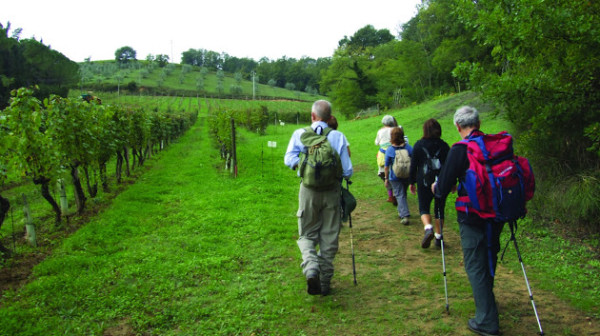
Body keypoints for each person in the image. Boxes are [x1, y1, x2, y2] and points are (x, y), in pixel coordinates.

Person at [432, 106, 502, 336]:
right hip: (498, 212)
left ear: (457, 126)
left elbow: (442, 187)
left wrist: (437, 187)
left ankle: (486, 321)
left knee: (475, 264)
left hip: (472, 215)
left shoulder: (460, 150)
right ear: (479, 124)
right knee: (489, 256)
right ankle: (487, 304)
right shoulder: (494, 145)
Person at [284, 100, 353, 296]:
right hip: (332, 192)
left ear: (313, 116)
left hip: (308, 191)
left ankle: (311, 267)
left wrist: (305, 166)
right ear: (330, 117)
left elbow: (288, 159)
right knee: (329, 237)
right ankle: (324, 282)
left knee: (306, 234)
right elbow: (348, 171)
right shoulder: (338, 136)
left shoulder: (300, 134)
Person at [409, 118, 450, 249]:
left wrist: (412, 182)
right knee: (439, 209)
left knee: (424, 207)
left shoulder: (418, 145)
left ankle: (428, 228)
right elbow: (449, 166)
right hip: (440, 181)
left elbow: (413, 165)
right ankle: (439, 237)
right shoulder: (444, 146)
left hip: (423, 181)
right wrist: (453, 182)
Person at [375, 115, 408, 205]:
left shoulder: (380, 131)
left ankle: (391, 195)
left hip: (383, 154)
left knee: (384, 174)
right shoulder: (395, 130)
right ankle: (397, 194)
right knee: (395, 173)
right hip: (395, 154)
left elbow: (376, 142)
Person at [384, 127, 413, 225]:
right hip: (407, 175)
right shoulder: (408, 147)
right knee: (403, 193)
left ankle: (404, 215)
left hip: (394, 176)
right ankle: (402, 211)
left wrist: (386, 178)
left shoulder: (390, 150)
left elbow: (386, 166)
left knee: (399, 194)